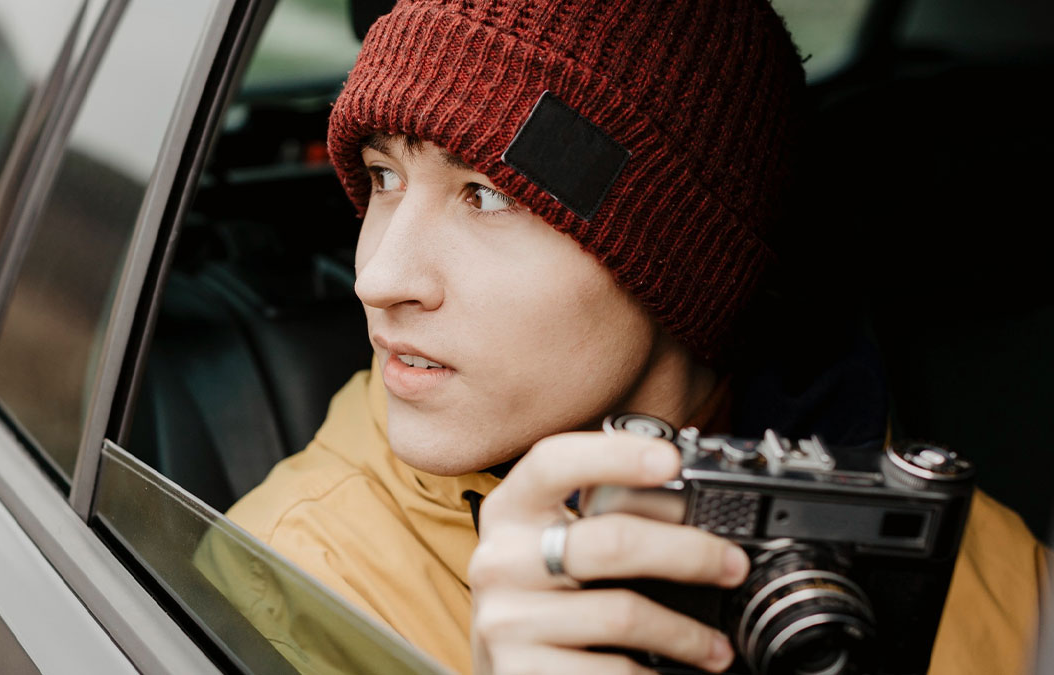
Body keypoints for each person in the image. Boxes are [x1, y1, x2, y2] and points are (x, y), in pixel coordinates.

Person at [197, 0, 1049, 673]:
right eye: (383, 176)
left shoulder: (1000, 578)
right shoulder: (283, 588)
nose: (378, 276)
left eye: (489, 193)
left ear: (678, 258)